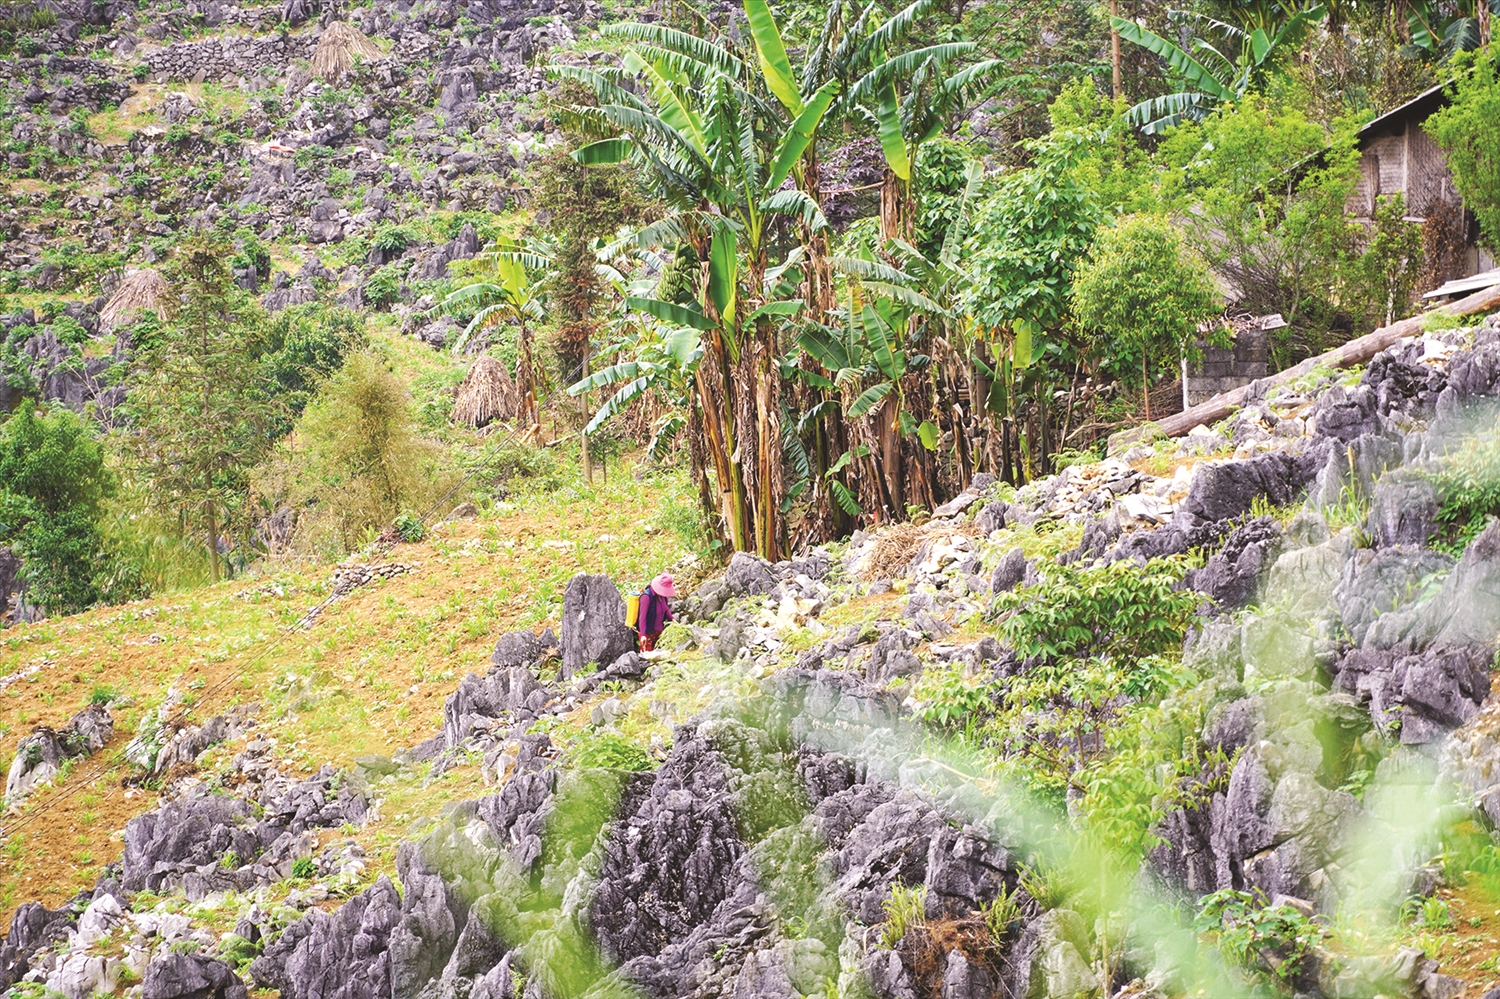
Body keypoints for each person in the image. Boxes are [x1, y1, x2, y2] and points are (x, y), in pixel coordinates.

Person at [636, 572, 676, 652]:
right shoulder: (646, 597)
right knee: (649, 659)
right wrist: (643, 635)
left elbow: (666, 609)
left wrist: (673, 620)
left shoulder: (662, 596)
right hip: (648, 634)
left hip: (659, 634)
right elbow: (642, 617)